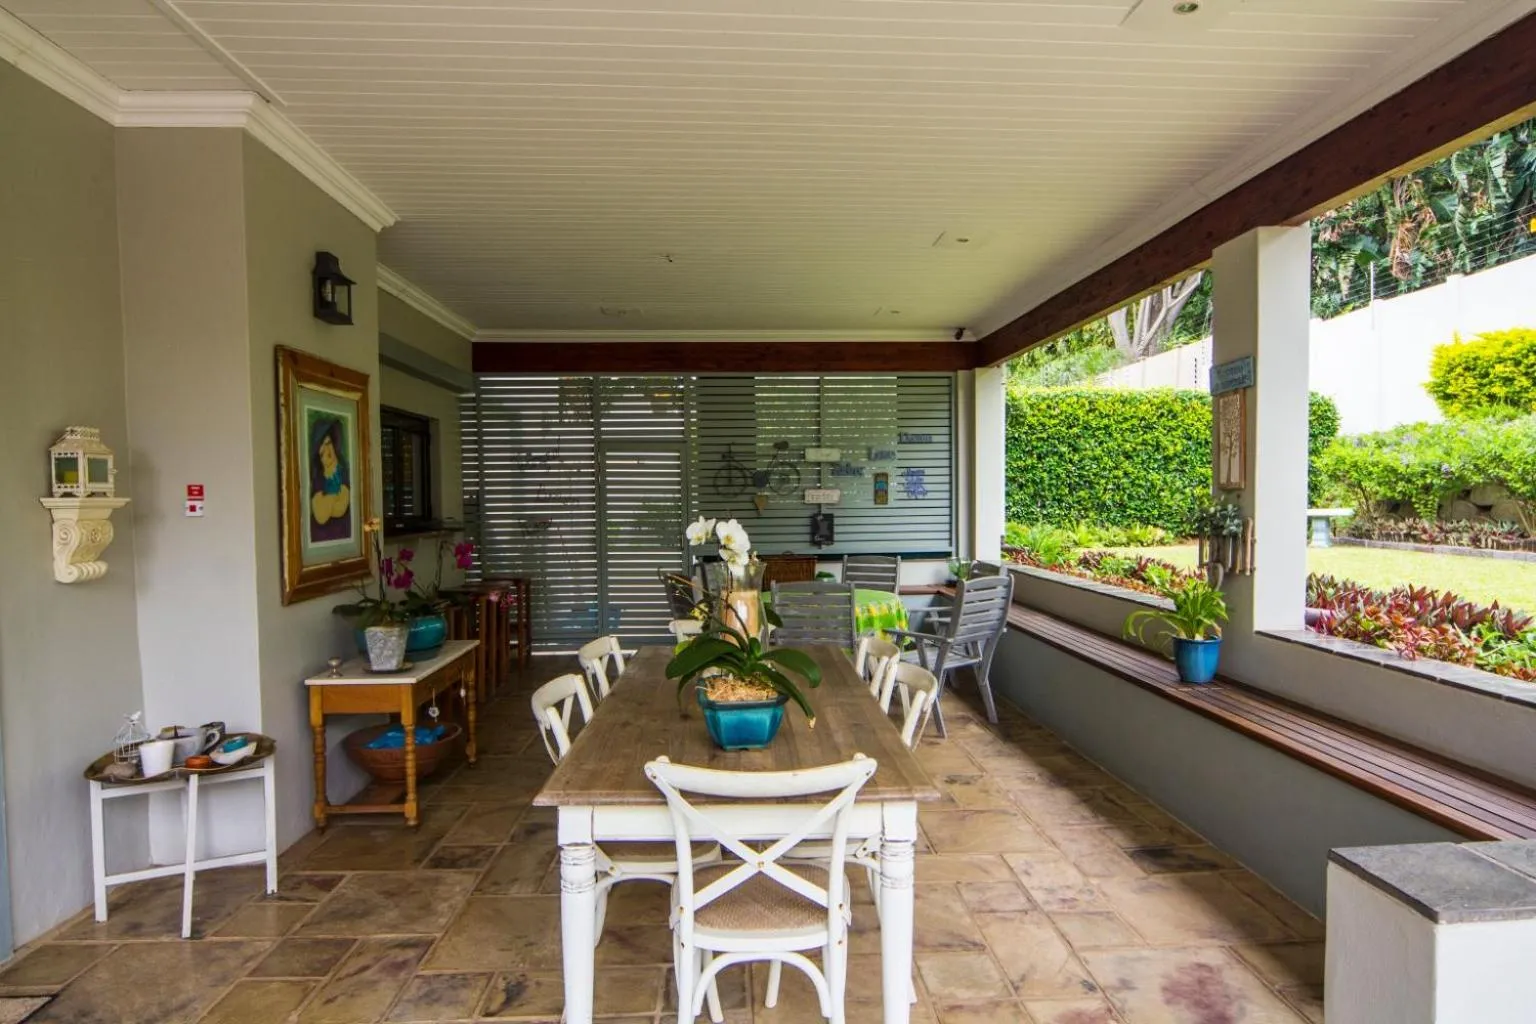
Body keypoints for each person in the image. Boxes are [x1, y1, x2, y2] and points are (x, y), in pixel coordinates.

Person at [310, 419, 351, 534]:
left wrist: (326, 499)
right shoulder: (317, 478)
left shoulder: (345, 473)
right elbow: (321, 516)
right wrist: (333, 492)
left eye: (328, 443)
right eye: (322, 449)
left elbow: (340, 508)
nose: (327, 451)